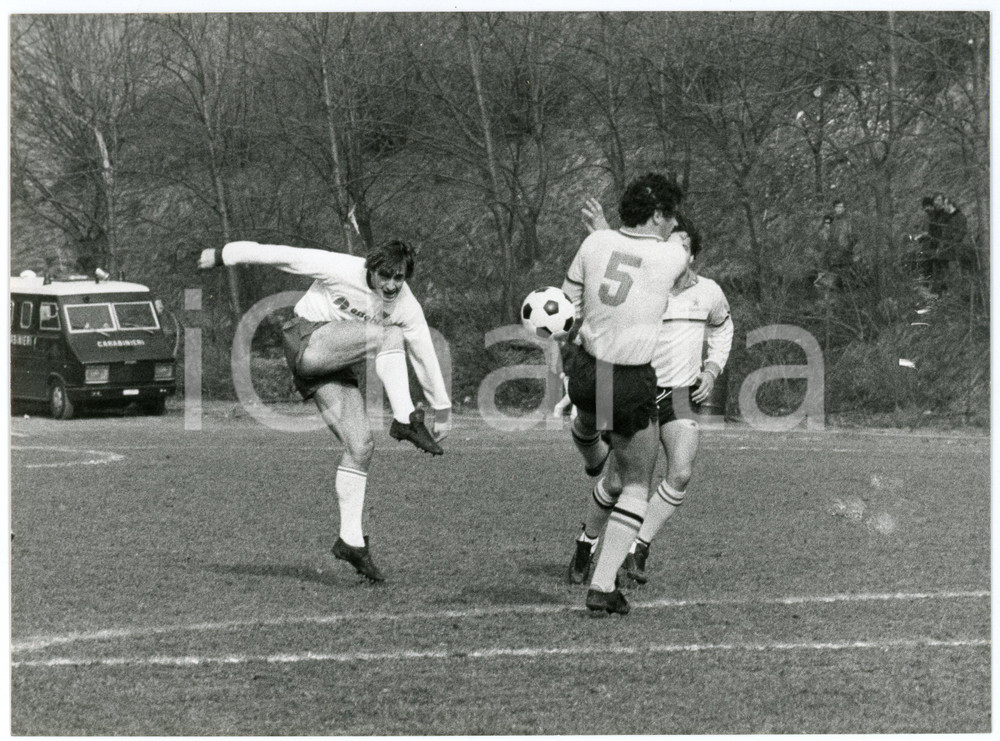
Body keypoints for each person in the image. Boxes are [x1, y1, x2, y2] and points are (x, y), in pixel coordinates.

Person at [198, 239, 451, 583]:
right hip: (306, 339)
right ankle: (405, 419)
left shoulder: (406, 305)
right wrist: (222, 254)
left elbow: (423, 350)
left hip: (331, 367)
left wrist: (443, 408)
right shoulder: (341, 268)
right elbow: (281, 256)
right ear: (371, 269)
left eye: (400, 278)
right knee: (389, 336)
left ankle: (351, 541)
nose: (391, 285)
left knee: (360, 446)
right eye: (385, 276)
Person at [567, 206, 733, 587]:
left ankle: (637, 547)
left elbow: (724, 328)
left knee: (681, 472)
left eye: (682, 246)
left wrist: (711, 368)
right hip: (632, 388)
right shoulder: (645, 284)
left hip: (677, 394)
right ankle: (587, 542)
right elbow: (614, 278)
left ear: (691, 255)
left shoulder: (709, 293)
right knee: (616, 483)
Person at [560, 173, 689, 615]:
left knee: (605, 453)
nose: (674, 225)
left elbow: (566, 300)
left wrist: (600, 232)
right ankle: (602, 586)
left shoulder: (593, 245)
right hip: (628, 377)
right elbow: (678, 273)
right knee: (637, 483)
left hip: (584, 369)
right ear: (657, 215)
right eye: (670, 216)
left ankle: (592, 452)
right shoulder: (672, 254)